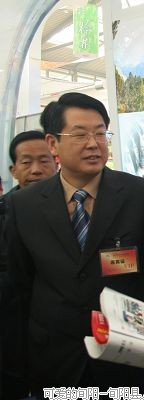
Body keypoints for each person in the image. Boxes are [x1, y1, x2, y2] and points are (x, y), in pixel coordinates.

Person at [5, 92, 144, 393]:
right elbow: (20, 286)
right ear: (52, 143)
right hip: (53, 360)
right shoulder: (24, 206)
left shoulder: (141, 196)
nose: (94, 144)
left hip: (125, 360)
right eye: (80, 135)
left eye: (100, 134)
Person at [1, 130, 58, 399]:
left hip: (61, 341)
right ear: (13, 170)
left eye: (44, 161)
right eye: (26, 162)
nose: (36, 170)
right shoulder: (4, 212)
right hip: (12, 337)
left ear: (56, 163)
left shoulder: (76, 210)